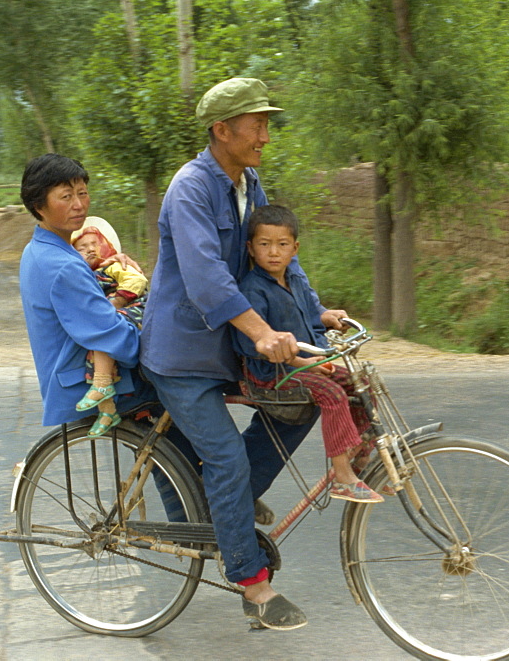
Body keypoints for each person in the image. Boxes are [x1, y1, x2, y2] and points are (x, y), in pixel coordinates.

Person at [140, 77, 348, 631]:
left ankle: (222, 512)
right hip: (183, 352)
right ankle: (253, 585)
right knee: (227, 459)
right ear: (222, 129)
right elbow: (207, 278)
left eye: (266, 123)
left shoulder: (248, 181)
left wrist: (315, 312)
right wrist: (261, 333)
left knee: (301, 403)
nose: (265, 134)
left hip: (228, 346)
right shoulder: (190, 187)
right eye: (256, 123)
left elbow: (279, 257)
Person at [234, 205, 383, 503]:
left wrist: (326, 316)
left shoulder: (295, 279)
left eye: (282, 245)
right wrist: (303, 364)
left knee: (362, 383)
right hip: (273, 374)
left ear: (295, 248)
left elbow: (310, 309)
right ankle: (342, 477)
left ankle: (359, 455)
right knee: (332, 393)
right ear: (250, 249)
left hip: (305, 365)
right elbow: (253, 344)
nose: (274, 252)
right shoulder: (252, 290)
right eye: (264, 245)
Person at [19, 155, 141, 429]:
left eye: (82, 194)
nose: (78, 205)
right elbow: (112, 334)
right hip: (82, 385)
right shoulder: (61, 265)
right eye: (66, 197)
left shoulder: (40, 249)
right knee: (191, 392)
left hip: (66, 376)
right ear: (39, 206)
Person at [69, 217, 149, 436]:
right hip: (113, 314)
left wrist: (116, 303)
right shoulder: (85, 274)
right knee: (94, 354)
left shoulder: (113, 265)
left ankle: (102, 384)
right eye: (82, 247)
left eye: (94, 244)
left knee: (105, 332)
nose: (90, 250)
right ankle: (107, 410)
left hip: (134, 308)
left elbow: (137, 281)